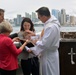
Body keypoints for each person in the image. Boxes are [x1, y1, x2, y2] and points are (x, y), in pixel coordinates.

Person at [27, 7, 60, 75]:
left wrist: (35, 41)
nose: (39, 19)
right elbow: (45, 34)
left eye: (39, 17)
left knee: (49, 72)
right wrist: (35, 34)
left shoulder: (51, 27)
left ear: (44, 16)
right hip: (49, 54)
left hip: (49, 55)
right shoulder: (50, 24)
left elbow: (44, 44)